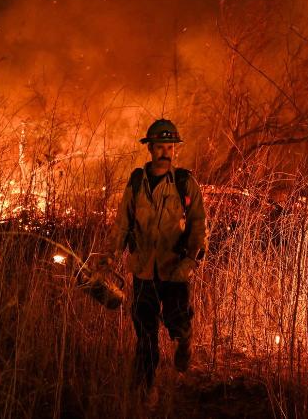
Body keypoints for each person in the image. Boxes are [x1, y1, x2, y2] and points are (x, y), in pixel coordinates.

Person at [103, 118, 207, 406]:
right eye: (160, 147)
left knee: (177, 322)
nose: (165, 153)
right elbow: (123, 223)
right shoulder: (137, 182)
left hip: (175, 269)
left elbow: (199, 224)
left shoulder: (186, 182)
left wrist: (191, 260)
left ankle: (185, 340)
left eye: (170, 147)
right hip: (144, 270)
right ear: (150, 149)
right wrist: (111, 255)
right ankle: (147, 388)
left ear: (175, 150)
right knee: (146, 335)